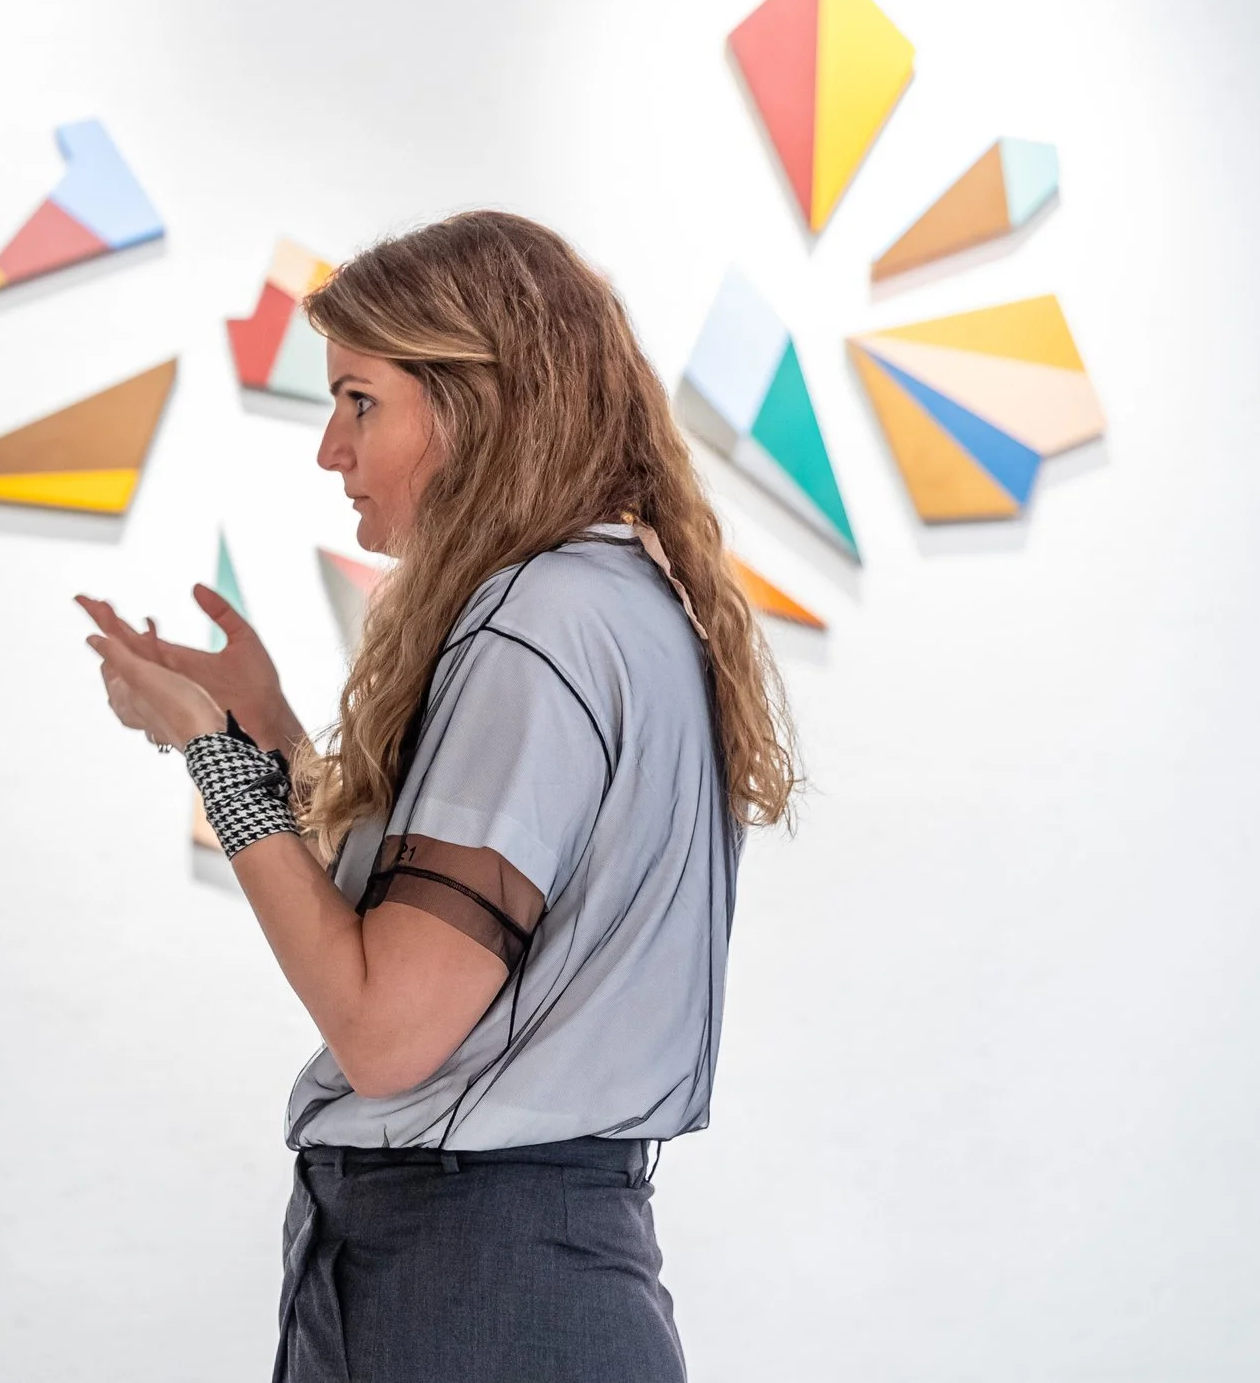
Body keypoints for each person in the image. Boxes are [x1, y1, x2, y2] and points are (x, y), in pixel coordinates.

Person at [79, 212, 796, 1382]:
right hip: (530, 1267)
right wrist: (267, 730)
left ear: (478, 404)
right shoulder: (612, 601)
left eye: (360, 400)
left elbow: (386, 1028)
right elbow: (439, 928)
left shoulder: (535, 625)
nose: (331, 448)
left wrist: (212, 750)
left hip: (469, 1285)